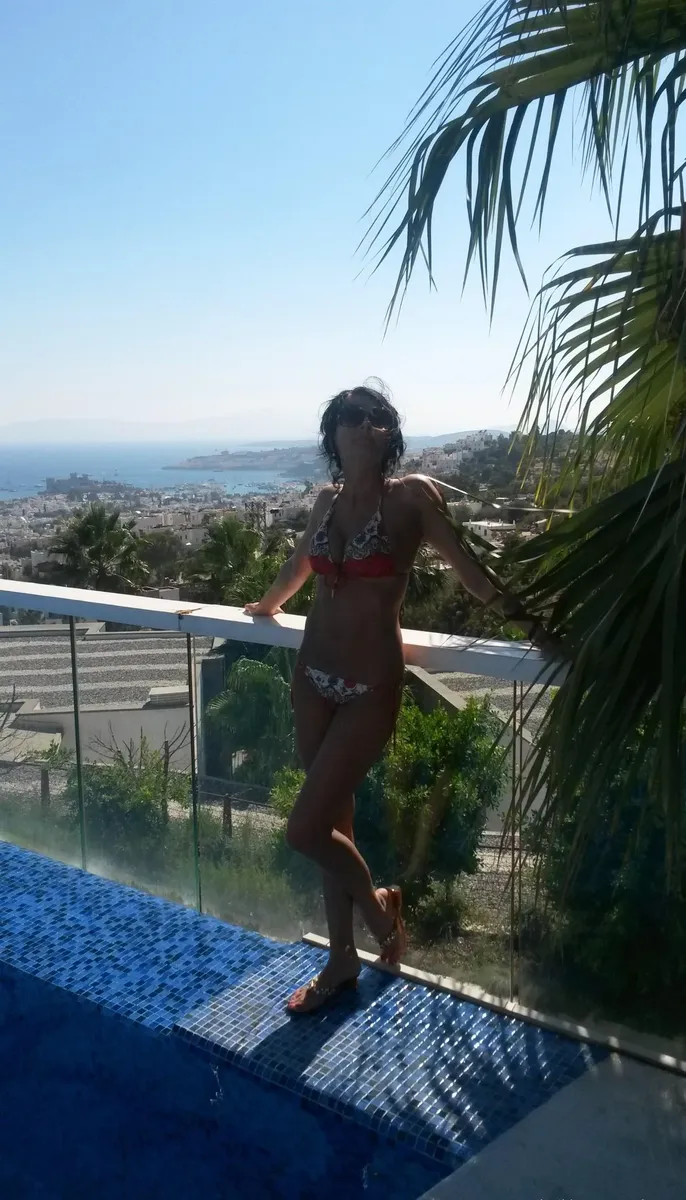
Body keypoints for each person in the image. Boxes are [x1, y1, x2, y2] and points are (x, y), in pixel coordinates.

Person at [245, 382, 549, 1014]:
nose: (363, 425)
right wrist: (266, 606)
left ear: (390, 433)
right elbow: (298, 567)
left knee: (305, 829)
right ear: (332, 433)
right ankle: (340, 960)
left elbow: (474, 576)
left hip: (369, 686)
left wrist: (538, 629)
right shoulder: (325, 501)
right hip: (312, 678)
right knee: (333, 826)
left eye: (375, 417)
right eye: (350, 416)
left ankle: (382, 913)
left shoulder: (411, 498)